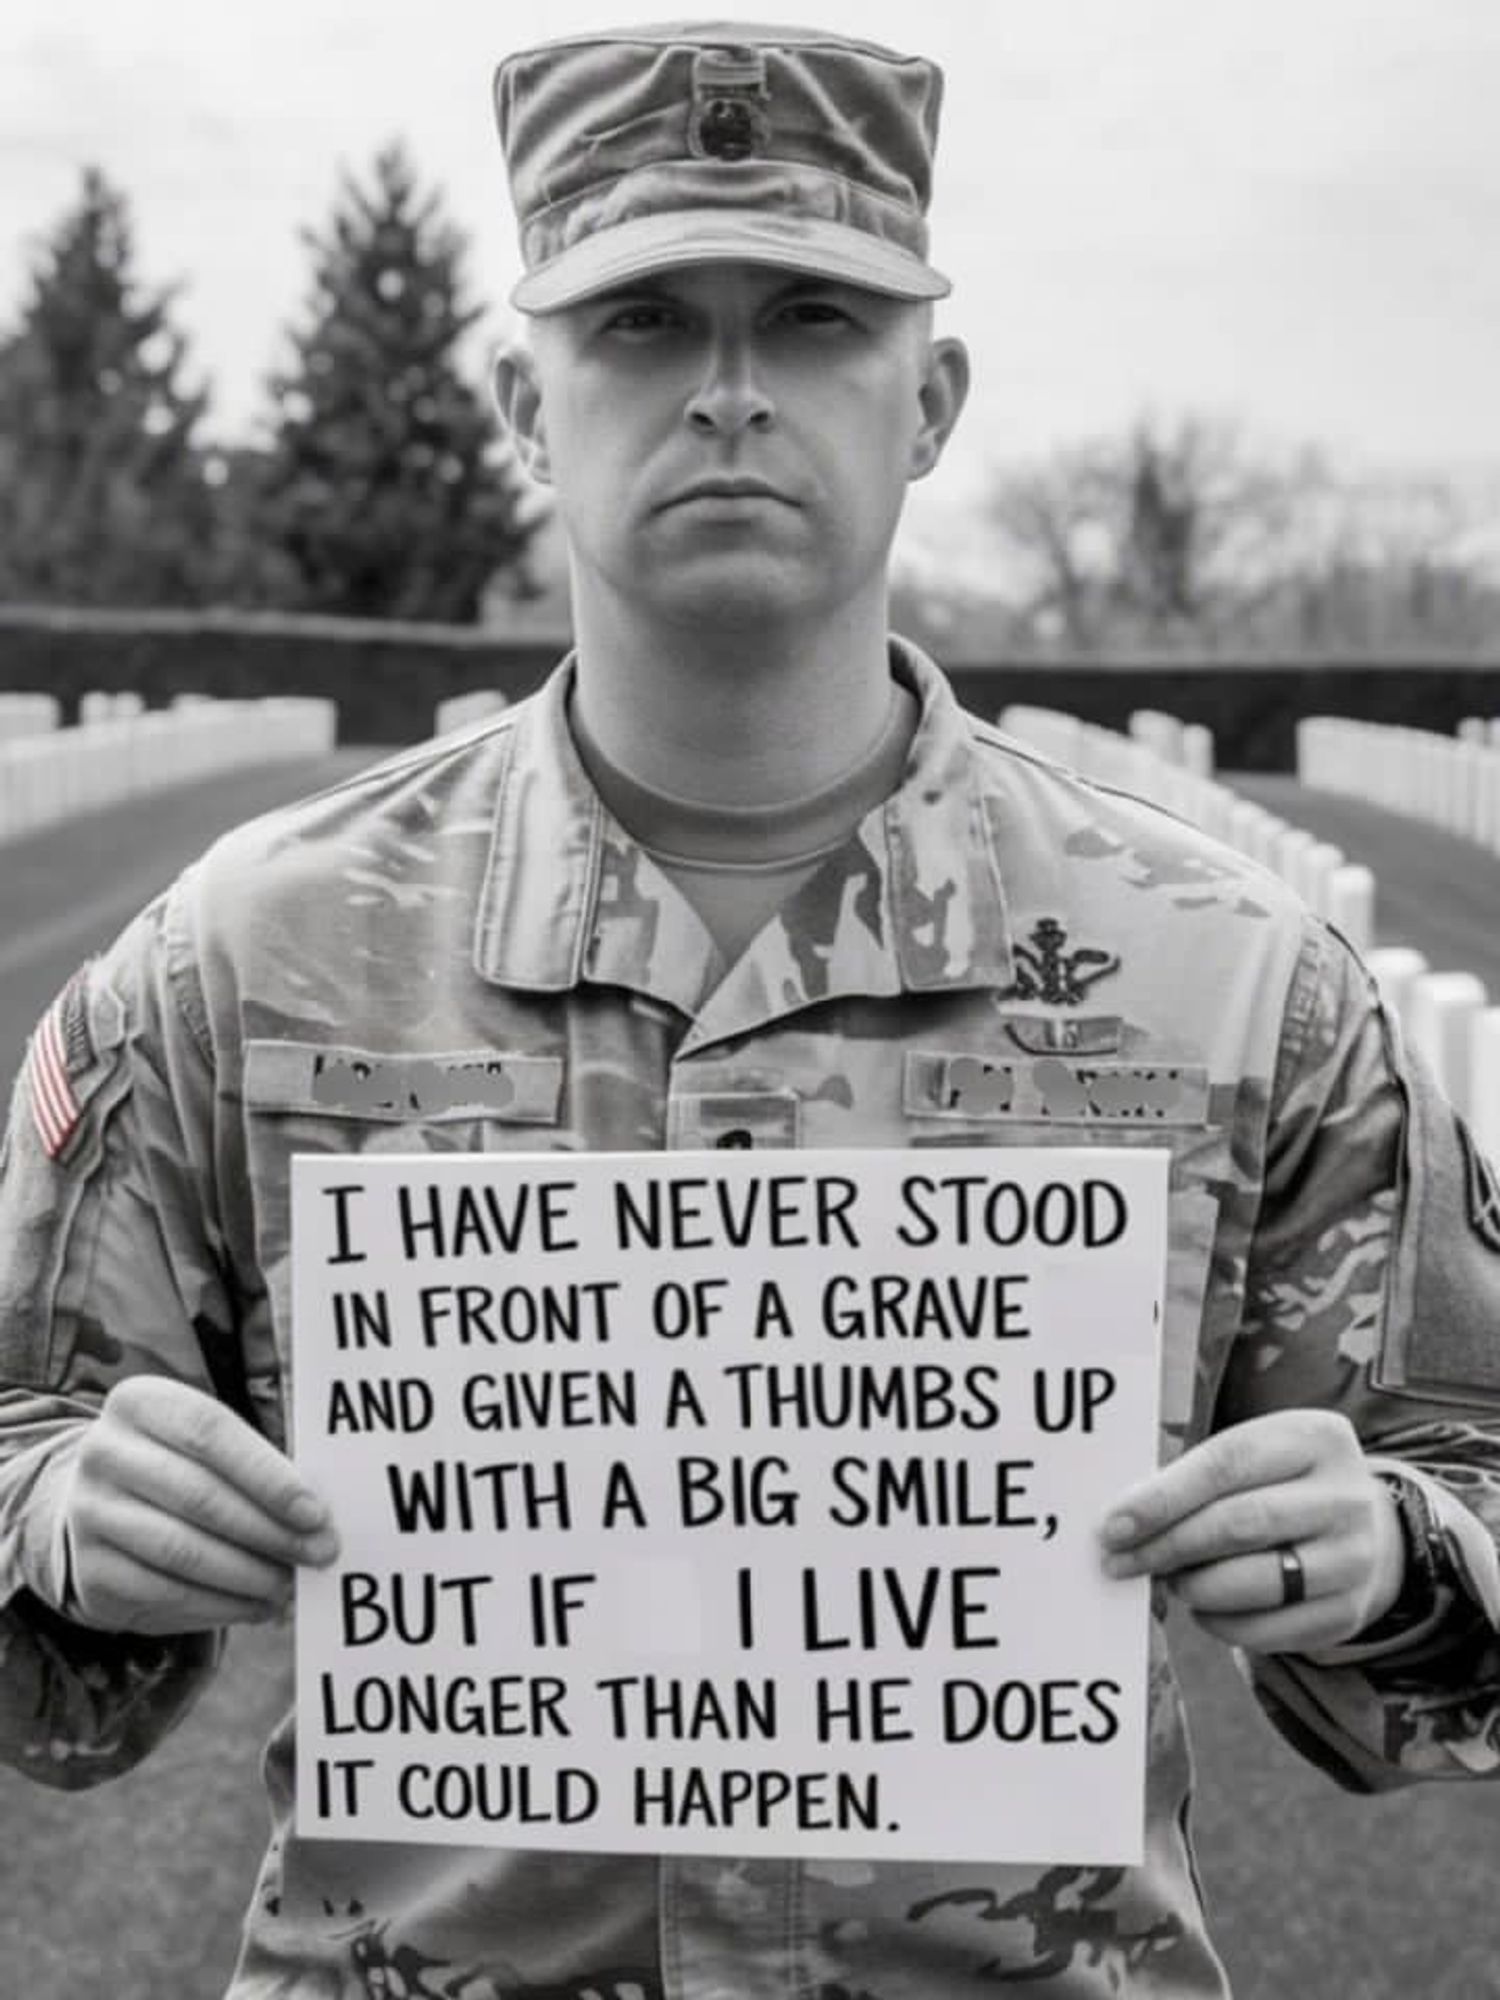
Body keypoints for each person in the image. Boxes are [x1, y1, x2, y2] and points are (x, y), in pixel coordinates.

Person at [1, 20, 1498, 1998]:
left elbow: (1462, 1517)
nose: (726, 392)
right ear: (522, 402)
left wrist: (1396, 1552)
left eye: (809, 317)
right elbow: (34, 1508)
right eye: (637, 323)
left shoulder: (1241, 984)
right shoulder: (234, 962)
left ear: (931, 395)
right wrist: (55, 1515)